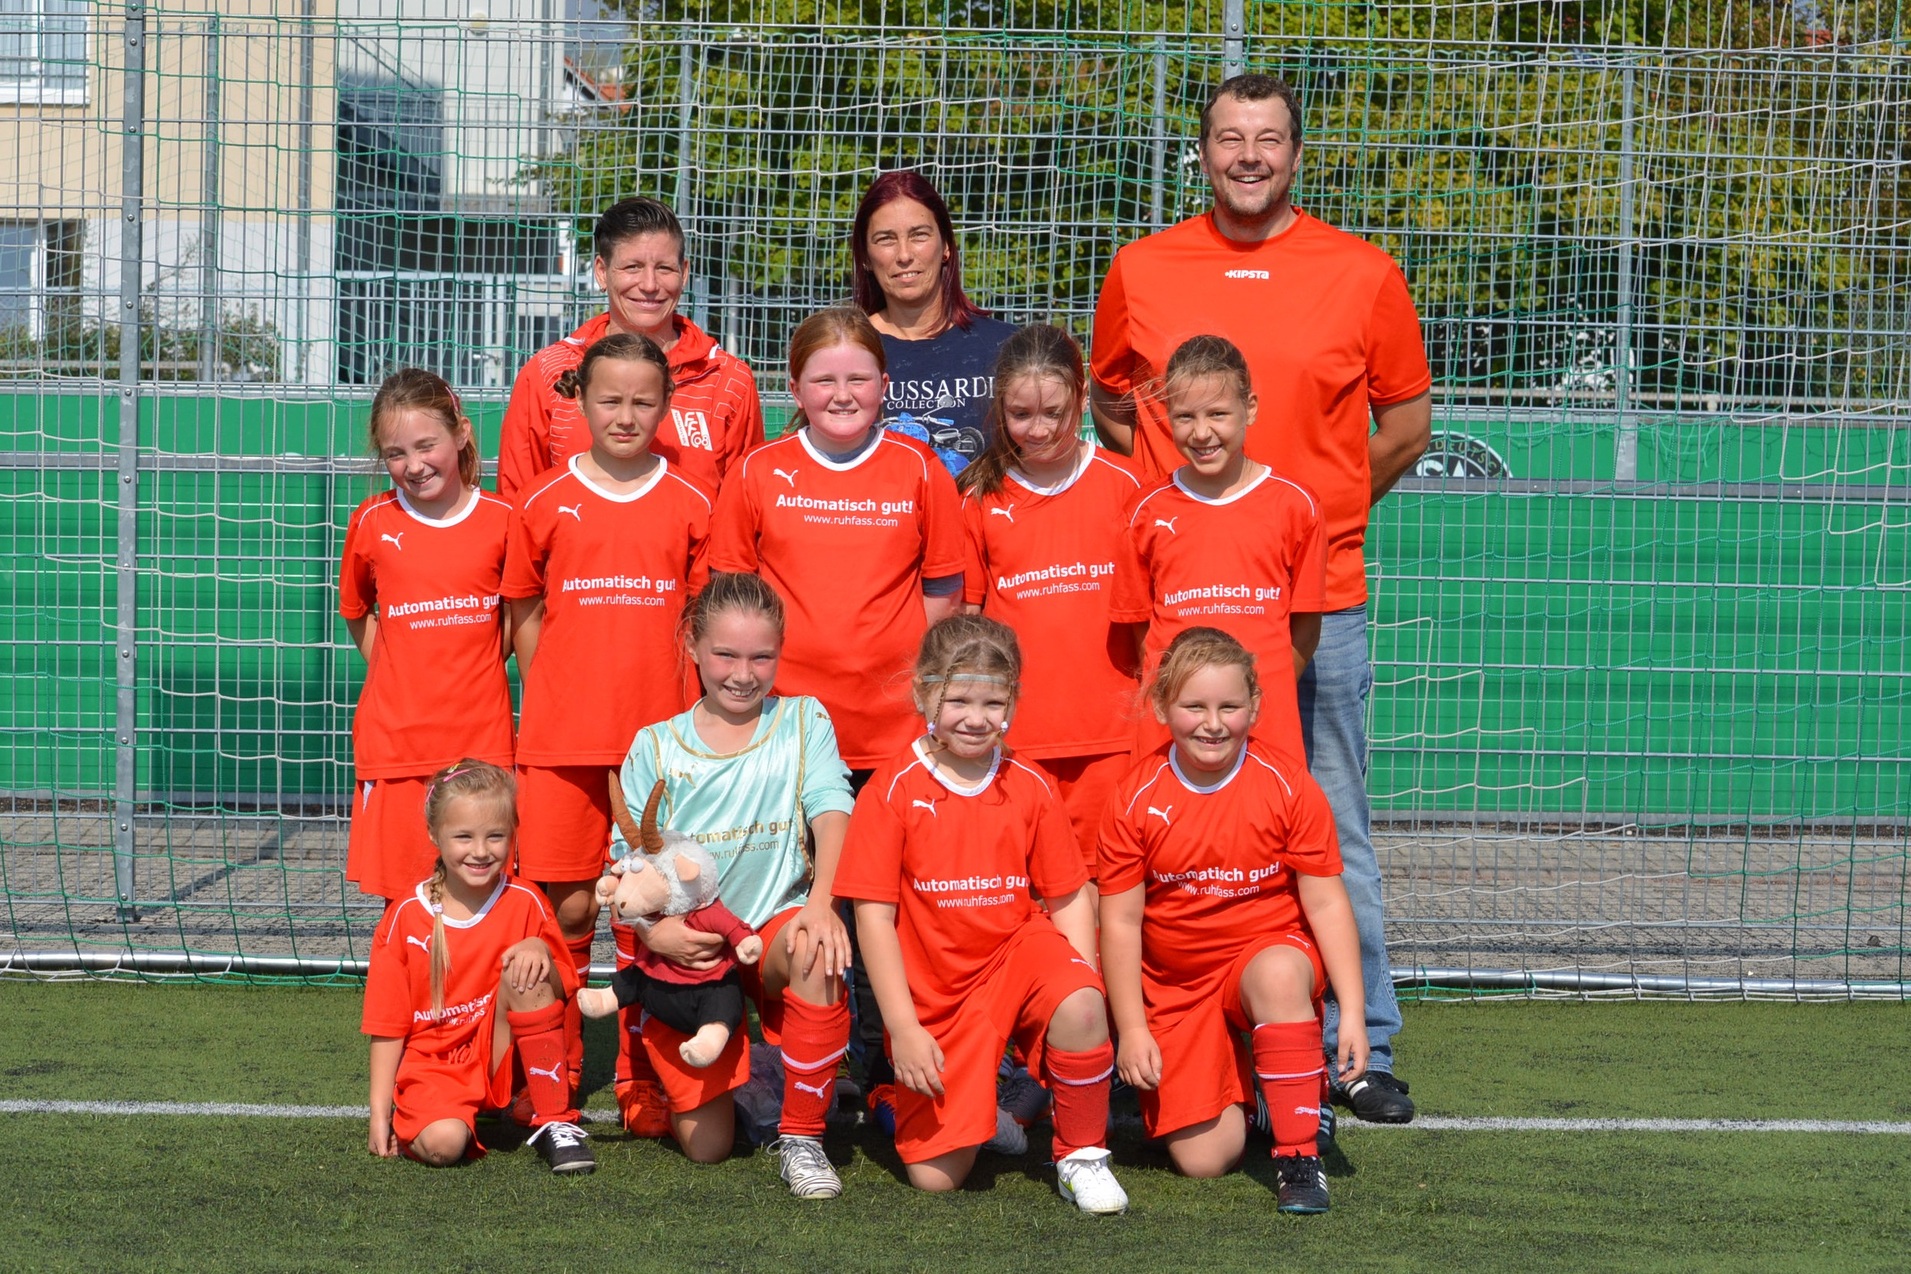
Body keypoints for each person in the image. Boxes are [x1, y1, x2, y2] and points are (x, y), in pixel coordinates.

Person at [1089, 73, 1433, 1119]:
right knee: (1166, 816)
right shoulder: (1141, 268)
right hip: (1180, 609)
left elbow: (1408, 424)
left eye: (1269, 139)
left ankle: (1356, 1040)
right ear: (1200, 154)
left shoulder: (1364, 272)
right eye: (1230, 138)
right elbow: (1113, 405)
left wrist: (1307, 508)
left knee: (1326, 816)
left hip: (1313, 597)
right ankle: (1158, 1029)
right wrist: (1194, 508)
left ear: (1297, 152)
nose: (1249, 155)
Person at [833, 615, 1128, 1212]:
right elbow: (873, 921)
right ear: (923, 694)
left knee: (1081, 1002)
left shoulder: (1032, 785)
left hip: (1017, 958)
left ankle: (1082, 1155)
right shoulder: (890, 790)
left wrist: (1083, 994)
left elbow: (1069, 897)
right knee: (938, 1178)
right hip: (936, 997)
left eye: (993, 701)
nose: (976, 716)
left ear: (1013, 702)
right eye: (958, 698)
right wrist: (905, 1030)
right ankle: (938, 1098)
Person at [1098, 628, 1367, 1213]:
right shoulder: (1135, 797)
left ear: (1255, 707)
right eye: (1194, 706)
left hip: (1263, 957)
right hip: (1178, 986)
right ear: (1163, 706)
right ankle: (1273, 1091)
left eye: (1229, 706)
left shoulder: (1288, 785)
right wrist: (1135, 1028)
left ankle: (1299, 1155)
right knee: (1205, 1160)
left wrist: (1352, 1011)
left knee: (1276, 977)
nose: (1212, 723)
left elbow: (1325, 902)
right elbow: (1118, 923)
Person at [502, 332, 712, 1080]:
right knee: (566, 911)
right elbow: (524, 605)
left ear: (665, 404)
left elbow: (699, 623)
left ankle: (641, 1076)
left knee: (652, 912)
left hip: (656, 751)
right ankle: (548, 1073)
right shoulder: (544, 500)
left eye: (642, 401)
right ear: (581, 402)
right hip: (560, 743)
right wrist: (553, 685)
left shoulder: (691, 501)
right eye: (610, 399)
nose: (626, 415)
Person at [608, 572, 858, 1201]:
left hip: (770, 928)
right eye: (726, 654)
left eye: (761, 657)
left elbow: (832, 806)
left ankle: (802, 1137)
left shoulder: (803, 720)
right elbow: (626, 871)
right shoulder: (657, 746)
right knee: (707, 1147)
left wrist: (823, 905)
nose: (743, 673)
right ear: (692, 646)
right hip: (690, 953)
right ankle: (737, 1071)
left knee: (816, 948)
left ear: (780, 652)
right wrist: (657, 931)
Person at [707, 307, 964, 778]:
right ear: (795, 390)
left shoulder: (920, 468)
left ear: (884, 386)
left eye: (859, 380)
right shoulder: (756, 470)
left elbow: (944, 596)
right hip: (782, 725)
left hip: (893, 728)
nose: (842, 396)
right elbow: (731, 600)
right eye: (824, 380)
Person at [957, 323, 1142, 877]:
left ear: (1082, 399)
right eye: (1020, 414)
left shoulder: (1129, 487)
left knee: (1111, 891)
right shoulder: (978, 496)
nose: (1036, 430)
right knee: (1030, 890)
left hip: (1112, 738)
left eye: (1053, 413)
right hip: (1017, 739)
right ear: (1000, 407)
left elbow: (1152, 623)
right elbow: (969, 626)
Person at [361, 759, 595, 1174]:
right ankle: (444, 1113)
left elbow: (563, 988)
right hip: (435, 1066)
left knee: (528, 968)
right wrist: (378, 1113)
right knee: (444, 1145)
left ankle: (555, 1119)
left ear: (513, 833)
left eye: (496, 836)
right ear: (435, 835)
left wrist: (540, 950)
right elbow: (387, 1024)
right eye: (464, 837)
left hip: (500, 1055)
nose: (481, 851)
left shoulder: (526, 901)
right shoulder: (405, 916)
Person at [1109, 335, 1325, 768]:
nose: (1201, 432)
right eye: (1185, 416)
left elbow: (1305, 625)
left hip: (1264, 722)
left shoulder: (1296, 505)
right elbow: (1140, 628)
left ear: (1251, 408)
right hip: (1175, 728)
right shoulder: (1147, 511)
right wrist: (1176, 694)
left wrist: (1258, 694)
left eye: (1218, 414)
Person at [339, 369, 514, 903]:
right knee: (407, 902)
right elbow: (356, 610)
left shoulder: (505, 519)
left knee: (486, 895)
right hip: (397, 747)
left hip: (480, 746)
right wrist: (400, 663)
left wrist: (475, 662)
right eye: (395, 453)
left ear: (460, 433)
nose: (412, 465)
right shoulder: (371, 521)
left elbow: (512, 624)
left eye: (425, 445)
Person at [497, 196, 764, 499]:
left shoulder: (727, 380)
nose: (649, 284)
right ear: (601, 271)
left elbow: (743, 513)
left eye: (664, 268)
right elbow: (518, 504)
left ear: (684, 272)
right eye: (633, 266)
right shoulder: (548, 373)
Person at [851, 171, 1016, 471]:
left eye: (919, 235)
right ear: (865, 256)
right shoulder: (845, 350)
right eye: (886, 239)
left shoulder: (1008, 348)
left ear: (946, 246)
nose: (904, 255)